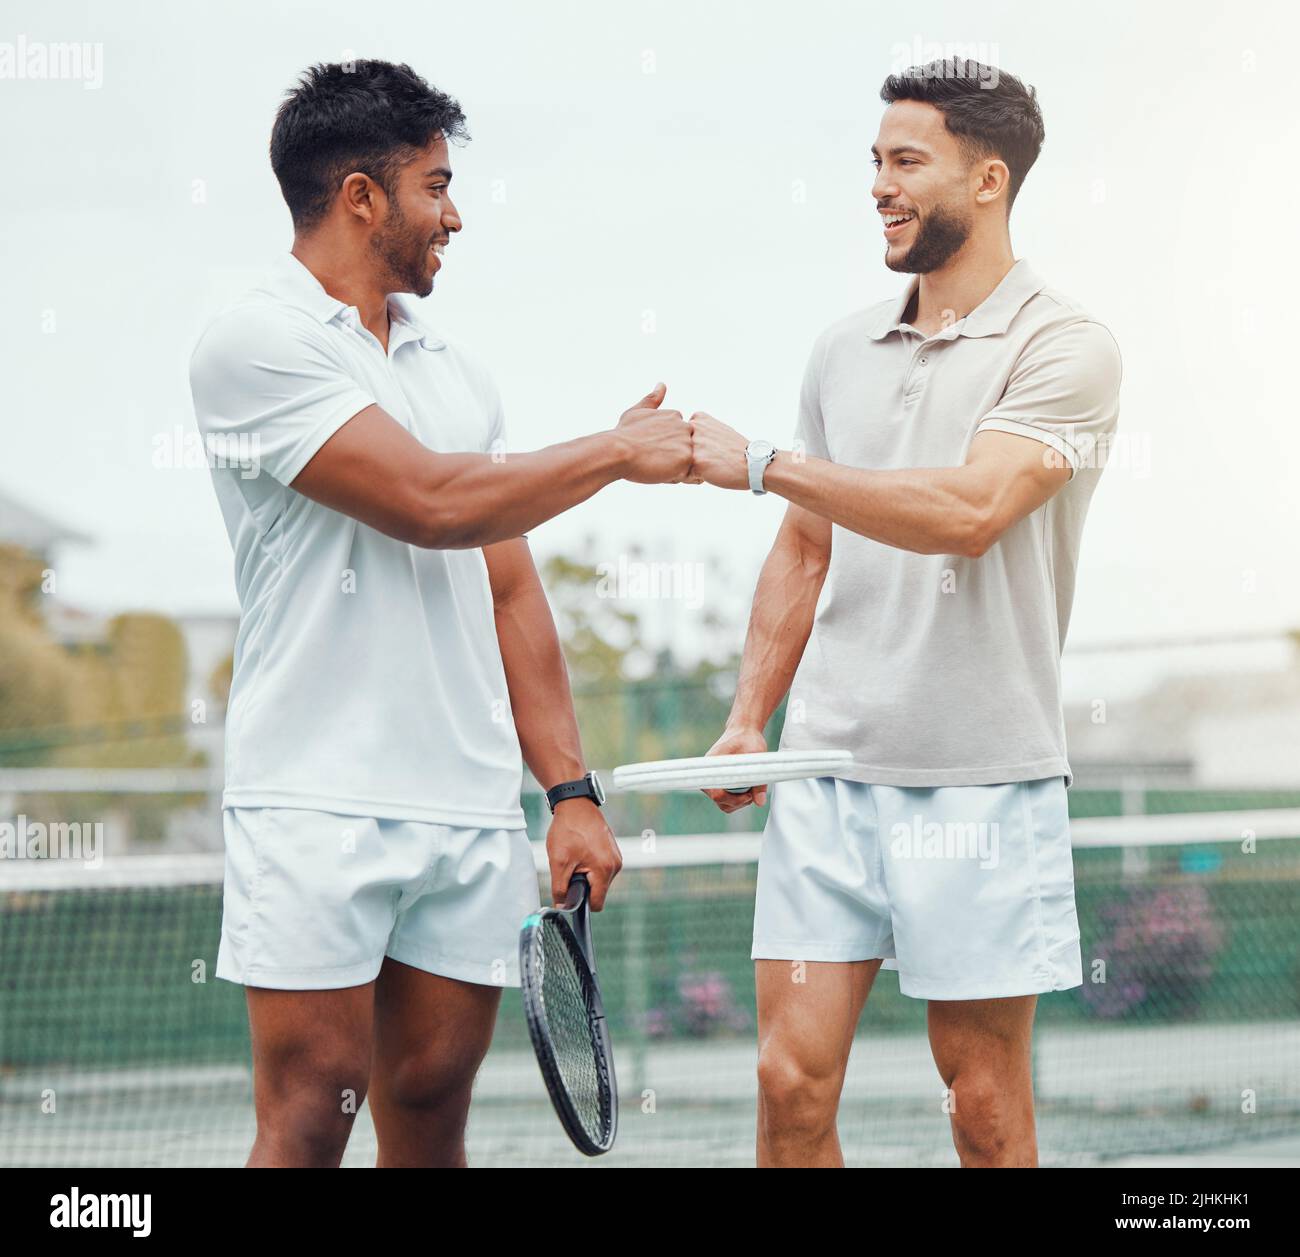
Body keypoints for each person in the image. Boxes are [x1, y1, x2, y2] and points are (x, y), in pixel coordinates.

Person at [188, 59, 693, 1168]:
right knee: (313, 1108)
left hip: (465, 809)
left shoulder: (457, 371)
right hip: (314, 799)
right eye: (435, 185)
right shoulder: (251, 342)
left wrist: (569, 792)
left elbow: (505, 579)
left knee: (427, 1109)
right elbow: (429, 501)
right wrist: (615, 450)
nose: (454, 215)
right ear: (361, 196)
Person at [688, 58, 1122, 1167]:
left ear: (987, 179)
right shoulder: (839, 350)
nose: (878, 185)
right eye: (873, 162)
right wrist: (750, 718)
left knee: (979, 1103)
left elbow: (969, 510)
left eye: (904, 162)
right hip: (825, 773)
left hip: (982, 776)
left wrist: (759, 462)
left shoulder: (1065, 347)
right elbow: (806, 544)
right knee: (787, 1083)